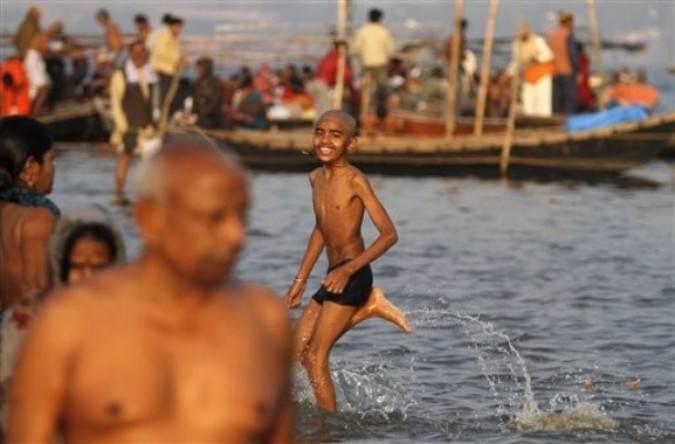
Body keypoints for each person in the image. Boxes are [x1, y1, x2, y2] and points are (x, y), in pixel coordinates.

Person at [7, 141, 294, 443]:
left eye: (242, 217)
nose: (236, 236)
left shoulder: (264, 320)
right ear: (150, 219)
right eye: (214, 218)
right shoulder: (71, 322)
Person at [285, 110, 411, 413]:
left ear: (351, 143)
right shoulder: (315, 177)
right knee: (294, 353)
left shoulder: (355, 180)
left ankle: (327, 430)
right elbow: (321, 228)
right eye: (320, 132)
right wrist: (300, 280)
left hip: (353, 274)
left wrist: (348, 269)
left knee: (315, 357)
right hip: (333, 274)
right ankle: (369, 307)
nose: (325, 140)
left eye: (335, 134)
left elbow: (389, 234)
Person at [0, 205, 125, 434]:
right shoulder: (27, 322)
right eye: (77, 267)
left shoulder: (134, 322)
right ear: (61, 264)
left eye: (97, 267)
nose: (87, 277)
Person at [0, 116, 58, 314]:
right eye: (51, 160)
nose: (53, 170)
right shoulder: (37, 218)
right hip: (21, 334)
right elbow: (37, 291)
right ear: (30, 168)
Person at [109, 40, 160, 205]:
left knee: (153, 162)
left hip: (148, 125)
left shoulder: (150, 74)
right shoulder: (121, 75)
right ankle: (119, 194)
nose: (140, 56)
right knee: (125, 159)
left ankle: (149, 196)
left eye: (143, 53)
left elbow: (154, 100)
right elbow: (116, 103)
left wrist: (156, 119)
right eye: (137, 53)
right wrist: (122, 126)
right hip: (129, 124)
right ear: (130, 54)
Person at [351, 8, 395, 126]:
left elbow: (354, 48)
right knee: (382, 90)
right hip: (380, 64)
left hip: (366, 64)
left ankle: (364, 111)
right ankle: (380, 112)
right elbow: (390, 50)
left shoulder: (363, 31)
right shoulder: (384, 31)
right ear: (380, 18)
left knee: (364, 90)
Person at [508, 22, 554, 117]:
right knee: (528, 101)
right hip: (528, 76)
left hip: (542, 75)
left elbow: (549, 55)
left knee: (543, 102)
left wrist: (537, 58)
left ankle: (544, 121)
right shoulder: (517, 45)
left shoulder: (538, 41)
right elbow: (516, 61)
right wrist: (509, 73)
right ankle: (529, 120)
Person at [151, 13, 185, 116]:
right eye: (178, 27)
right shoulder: (164, 37)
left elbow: (177, 52)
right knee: (163, 95)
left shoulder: (176, 38)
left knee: (170, 95)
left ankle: (167, 114)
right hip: (163, 69)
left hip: (172, 70)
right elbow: (160, 53)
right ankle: (161, 115)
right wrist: (177, 59)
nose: (179, 29)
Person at [547, 10, 580, 115]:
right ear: (568, 22)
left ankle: (555, 120)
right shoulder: (568, 35)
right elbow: (572, 54)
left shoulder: (551, 35)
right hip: (567, 70)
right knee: (569, 99)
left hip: (554, 70)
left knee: (556, 99)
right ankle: (570, 121)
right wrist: (577, 70)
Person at [190, 57, 226, 129]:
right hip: (199, 114)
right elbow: (195, 98)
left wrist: (201, 113)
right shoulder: (198, 81)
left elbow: (215, 102)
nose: (197, 70)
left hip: (211, 116)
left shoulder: (215, 82)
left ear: (206, 68)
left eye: (200, 67)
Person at [23, 32, 51, 116]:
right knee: (44, 88)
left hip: (37, 91)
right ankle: (36, 113)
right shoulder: (32, 57)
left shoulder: (36, 56)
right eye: (44, 43)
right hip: (34, 94)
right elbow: (39, 82)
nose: (46, 46)